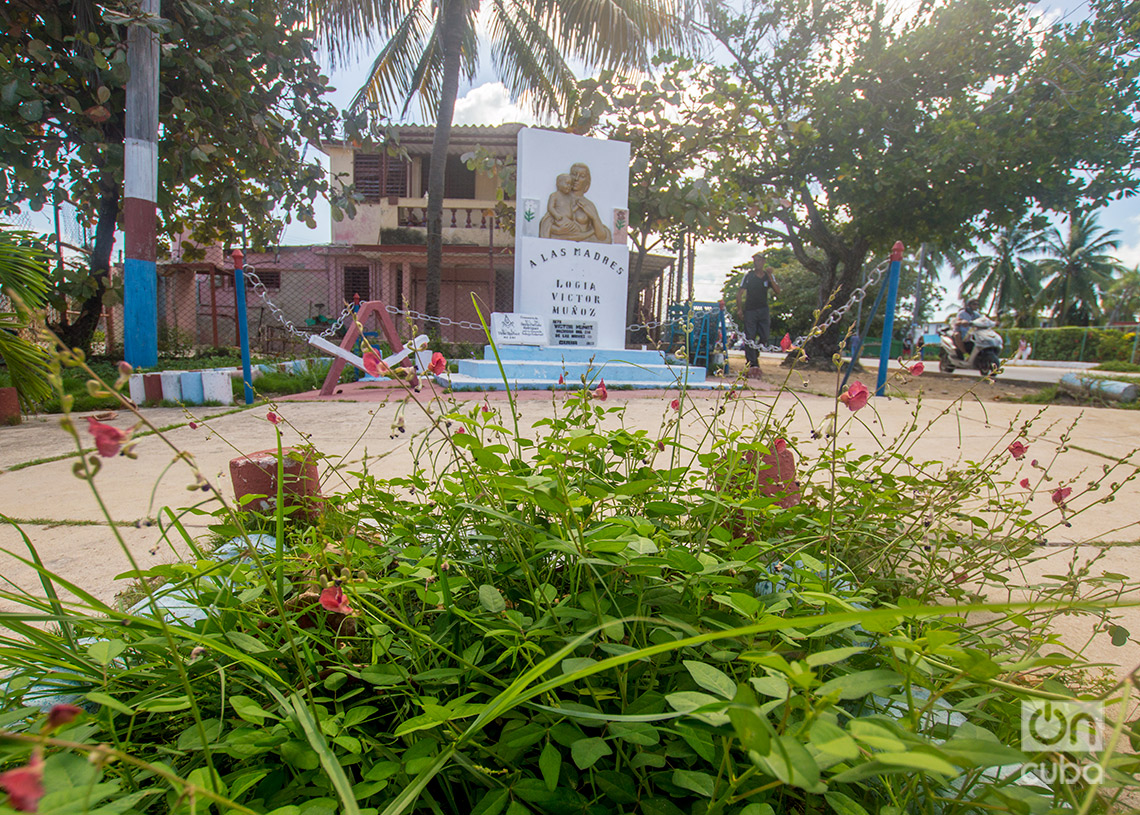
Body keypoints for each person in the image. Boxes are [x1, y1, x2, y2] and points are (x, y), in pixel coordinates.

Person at [736, 253, 781, 368]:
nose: (757, 263)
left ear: (764, 262)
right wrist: (740, 309)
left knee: (764, 335)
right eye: (755, 260)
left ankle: (755, 354)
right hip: (750, 309)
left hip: (763, 309)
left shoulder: (767, 276)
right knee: (749, 336)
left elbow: (778, 291)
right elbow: (740, 293)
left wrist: (770, 276)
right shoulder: (749, 276)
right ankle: (752, 363)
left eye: (760, 260)